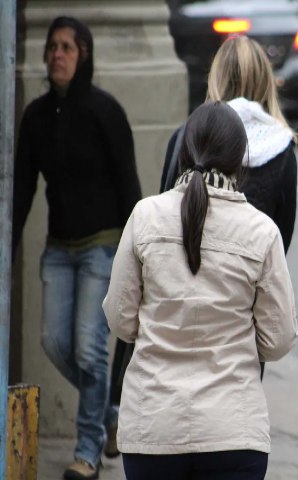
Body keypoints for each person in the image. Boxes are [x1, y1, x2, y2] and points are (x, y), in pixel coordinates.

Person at [102, 101, 298, 480]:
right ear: (240, 161)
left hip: (153, 429)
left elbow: (120, 319)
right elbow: (279, 339)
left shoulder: (145, 216)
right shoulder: (261, 231)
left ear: (182, 152)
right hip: (234, 431)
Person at [12, 16, 141, 480]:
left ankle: (87, 452)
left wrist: (139, 254)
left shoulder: (105, 112)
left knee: (89, 349)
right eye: (52, 47)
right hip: (58, 249)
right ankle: (109, 416)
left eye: (68, 47)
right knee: (54, 342)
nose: (57, 55)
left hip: (100, 249)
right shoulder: (36, 117)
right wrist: (7, 251)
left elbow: (130, 186)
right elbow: (23, 188)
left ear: (84, 55)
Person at [161, 35, 297, 254]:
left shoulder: (186, 136)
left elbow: (165, 211)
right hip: (248, 279)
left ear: (216, 78)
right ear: (265, 81)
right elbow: (282, 240)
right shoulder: (281, 146)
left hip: (184, 280)